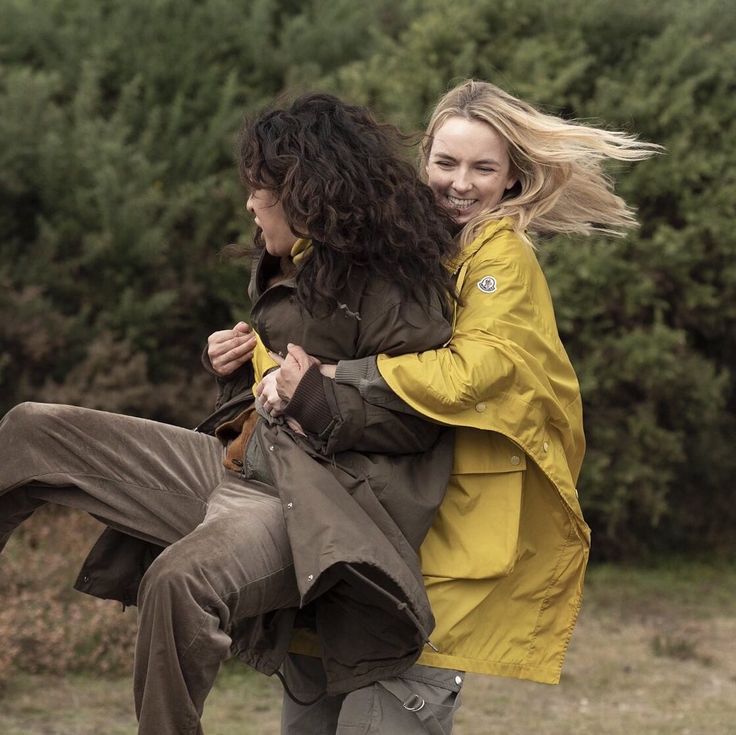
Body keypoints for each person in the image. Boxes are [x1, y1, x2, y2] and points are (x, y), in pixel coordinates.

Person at [0, 93, 461, 735]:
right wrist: (235, 371)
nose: (250, 203)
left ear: (304, 193)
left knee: (177, 581)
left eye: (259, 190)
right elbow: (279, 384)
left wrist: (313, 397)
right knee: (29, 431)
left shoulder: (392, 288)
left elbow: (422, 419)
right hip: (237, 464)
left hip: (308, 501)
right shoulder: (289, 267)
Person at [257, 79, 659, 734]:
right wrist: (251, 355)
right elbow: (303, 350)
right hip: (367, 524)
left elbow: (471, 374)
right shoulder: (403, 246)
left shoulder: (501, 256)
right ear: (423, 163)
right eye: (446, 163)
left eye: (482, 168)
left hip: (450, 538)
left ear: (510, 180)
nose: (460, 184)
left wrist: (339, 373)